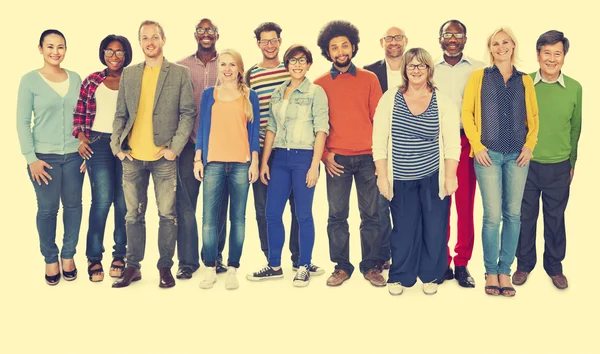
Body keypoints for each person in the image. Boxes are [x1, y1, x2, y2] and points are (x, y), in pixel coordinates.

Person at [110, 20, 196, 289]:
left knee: (167, 214)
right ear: (140, 42)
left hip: (163, 159)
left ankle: (164, 267)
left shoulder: (179, 73)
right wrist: (116, 147)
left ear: (163, 40)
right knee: (132, 215)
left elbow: (188, 114)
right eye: (145, 38)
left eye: (155, 37)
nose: (150, 42)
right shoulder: (130, 74)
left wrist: (174, 149)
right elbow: (121, 114)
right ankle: (133, 266)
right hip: (132, 157)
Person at [373, 48, 460, 296]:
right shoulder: (390, 98)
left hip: (433, 176)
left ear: (429, 69)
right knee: (403, 228)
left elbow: (452, 141)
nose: (416, 70)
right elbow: (379, 140)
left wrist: (450, 175)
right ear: (404, 70)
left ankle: (431, 274)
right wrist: (382, 175)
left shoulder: (442, 100)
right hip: (401, 177)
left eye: (421, 65)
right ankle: (400, 275)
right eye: (411, 66)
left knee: (434, 227)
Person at [462, 27, 539, 297]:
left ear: (513, 46)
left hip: (518, 156)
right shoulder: (479, 77)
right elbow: (467, 113)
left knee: (513, 215)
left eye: (505, 42)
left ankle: (505, 270)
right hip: (489, 155)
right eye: (495, 43)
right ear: (490, 48)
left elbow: (534, 117)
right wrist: (477, 145)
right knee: (492, 216)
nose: (500, 47)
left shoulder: (525, 80)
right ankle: (490, 271)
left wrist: (529, 146)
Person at [245, 23, 324, 275]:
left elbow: (321, 129)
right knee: (270, 213)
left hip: (303, 158)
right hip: (278, 157)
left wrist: (314, 165)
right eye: (293, 61)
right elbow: (271, 129)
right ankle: (274, 264)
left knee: (303, 214)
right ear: (287, 65)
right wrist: (264, 161)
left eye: (302, 61)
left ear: (309, 64)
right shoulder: (278, 92)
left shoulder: (315, 91)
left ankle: (303, 263)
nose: (297, 65)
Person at [314, 20, 385, 287]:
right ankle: (341, 266)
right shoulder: (319, 84)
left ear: (353, 47)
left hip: (368, 158)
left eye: (345, 45)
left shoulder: (369, 78)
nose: (341, 50)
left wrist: (380, 159)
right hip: (337, 160)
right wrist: (325, 156)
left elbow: (379, 121)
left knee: (371, 215)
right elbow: (317, 124)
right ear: (327, 52)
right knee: (337, 215)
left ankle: (371, 266)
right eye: (334, 47)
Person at [514, 30, 582, 290]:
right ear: (538, 54)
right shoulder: (524, 83)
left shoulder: (575, 88)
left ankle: (554, 266)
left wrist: (572, 162)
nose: (552, 59)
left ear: (564, 57)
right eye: (547, 53)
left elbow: (576, 128)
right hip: (526, 164)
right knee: (524, 216)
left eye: (558, 54)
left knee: (555, 218)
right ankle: (523, 264)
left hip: (559, 166)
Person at [17, 29, 83, 285]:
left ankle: (69, 255)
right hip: (44, 158)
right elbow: (23, 122)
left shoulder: (76, 78)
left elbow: (84, 116)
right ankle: (50, 258)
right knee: (47, 209)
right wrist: (30, 158)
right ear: (41, 49)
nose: (56, 52)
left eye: (61, 47)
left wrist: (85, 148)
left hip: (75, 155)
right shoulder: (30, 80)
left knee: (74, 206)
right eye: (50, 46)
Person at [193, 49, 260, 290]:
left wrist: (254, 162)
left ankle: (232, 268)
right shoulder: (209, 94)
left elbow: (253, 134)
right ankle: (210, 267)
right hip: (214, 164)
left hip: (241, 165)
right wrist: (198, 159)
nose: (227, 69)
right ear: (218, 67)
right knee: (209, 220)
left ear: (240, 68)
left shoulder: (249, 96)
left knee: (238, 220)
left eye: (232, 64)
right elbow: (202, 129)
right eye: (223, 64)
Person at [73, 34, 133, 282]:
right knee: (101, 201)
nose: (114, 56)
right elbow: (78, 114)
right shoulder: (92, 80)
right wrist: (81, 138)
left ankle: (120, 255)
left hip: (126, 145)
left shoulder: (133, 79)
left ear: (126, 54)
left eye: (119, 51)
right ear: (103, 53)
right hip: (97, 144)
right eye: (109, 51)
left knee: (124, 203)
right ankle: (94, 257)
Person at [175, 18, 228, 280]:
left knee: (217, 206)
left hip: (221, 146)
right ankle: (186, 261)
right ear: (195, 34)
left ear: (217, 35)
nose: (206, 33)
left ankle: (214, 257)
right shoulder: (181, 67)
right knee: (185, 205)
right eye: (201, 29)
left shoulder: (228, 65)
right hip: (189, 143)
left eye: (210, 30)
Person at [434, 19, 485, 288]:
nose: (452, 38)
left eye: (458, 34)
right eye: (448, 34)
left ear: (465, 38)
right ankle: (441, 262)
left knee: (464, 206)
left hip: (467, 141)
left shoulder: (478, 68)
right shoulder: (430, 68)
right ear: (439, 37)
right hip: (436, 143)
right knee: (439, 204)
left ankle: (462, 262)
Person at [364, 26, 408, 271]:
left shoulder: (416, 68)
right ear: (382, 41)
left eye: (398, 37)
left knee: (405, 207)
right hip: (379, 149)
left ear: (406, 41)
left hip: (408, 149)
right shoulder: (370, 72)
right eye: (389, 38)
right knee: (379, 207)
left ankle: (404, 255)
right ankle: (383, 256)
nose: (394, 42)